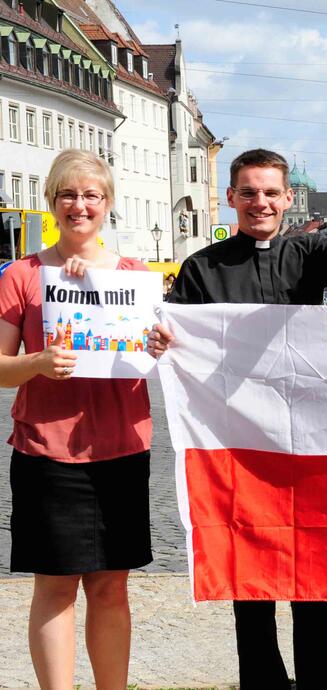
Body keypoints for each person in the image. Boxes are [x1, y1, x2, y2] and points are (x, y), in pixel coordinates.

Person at [149, 148, 327, 690]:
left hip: (307, 440)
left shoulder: (309, 251)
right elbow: (174, 334)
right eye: (249, 192)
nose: (260, 202)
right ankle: (262, 683)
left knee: (315, 570)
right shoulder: (202, 268)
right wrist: (160, 342)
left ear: (289, 198)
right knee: (249, 574)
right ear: (231, 197)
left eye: (271, 192)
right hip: (239, 444)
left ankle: (319, 682)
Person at [0, 149, 153, 690]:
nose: (79, 205)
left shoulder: (135, 277)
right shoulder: (23, 274)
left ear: (107, 203)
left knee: (111, 587)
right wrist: (38, 363)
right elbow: (0, 368)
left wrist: (161, 344)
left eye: (91, 195)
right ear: (51, 201)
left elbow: (160, 357)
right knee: (56, 587)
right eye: (68, 194)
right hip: (47, 452)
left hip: (123, 449)